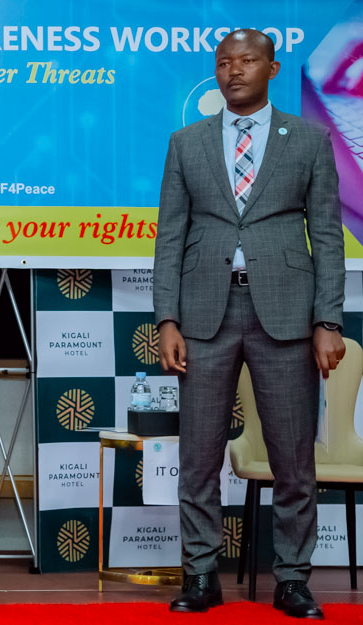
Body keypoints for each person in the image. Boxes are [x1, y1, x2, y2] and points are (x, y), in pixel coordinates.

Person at [153, 29, 345, 618]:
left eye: (246, 61)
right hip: (203, 314)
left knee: (293, 459)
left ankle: (292, 579)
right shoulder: (186, 142)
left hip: (286, 314)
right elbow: (170, 236)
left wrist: (327, 320)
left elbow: (328, 236)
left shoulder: (309, 139)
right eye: (223, 63)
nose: (233, 71)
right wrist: (166, 319)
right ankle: (201, 575)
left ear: (272, 68)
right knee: (198, 458)